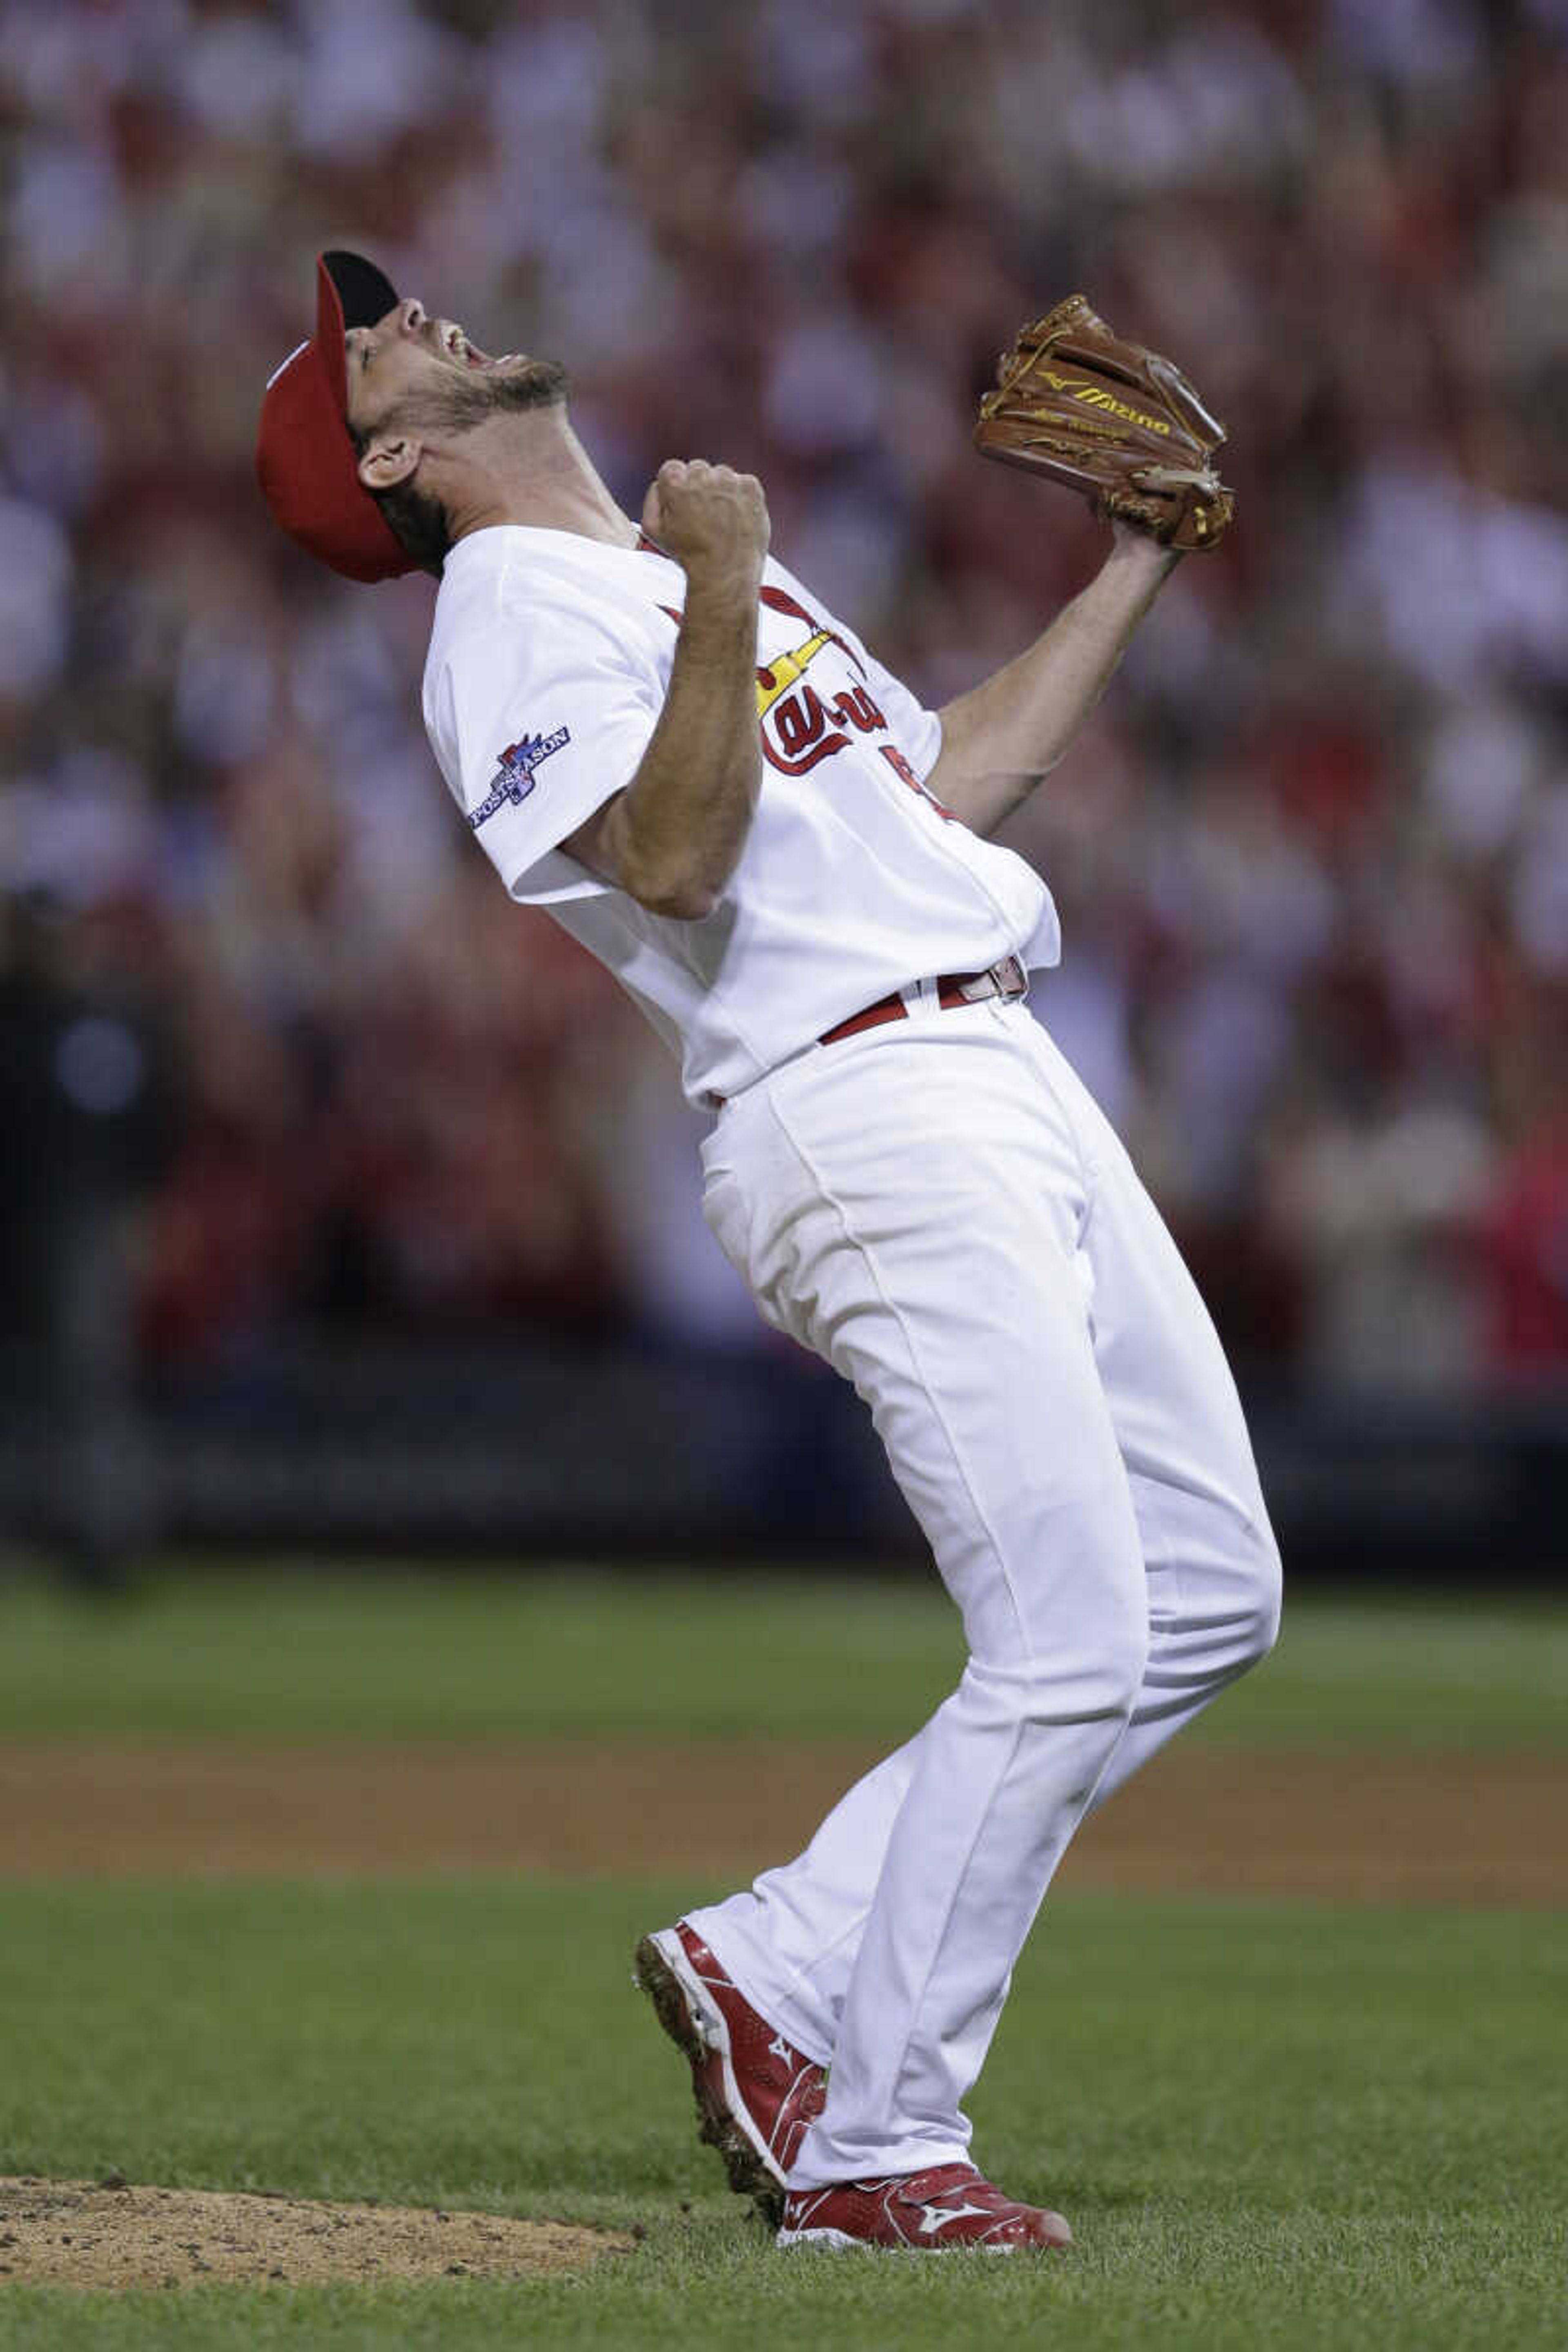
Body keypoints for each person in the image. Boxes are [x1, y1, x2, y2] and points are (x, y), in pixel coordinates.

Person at [258, 250, 1281, 2254]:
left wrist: (1132, 567)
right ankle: (880, 2151)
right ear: (388, 453)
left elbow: (937, 790)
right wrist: (722, 582)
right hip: (849, 1102)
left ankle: (786, 1963)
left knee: (1208, 1588)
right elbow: (667, 860)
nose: (416, 318)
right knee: (1068, 1632)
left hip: (994, 1046)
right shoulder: (507, 612)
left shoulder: (664, 568)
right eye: (372, 340)